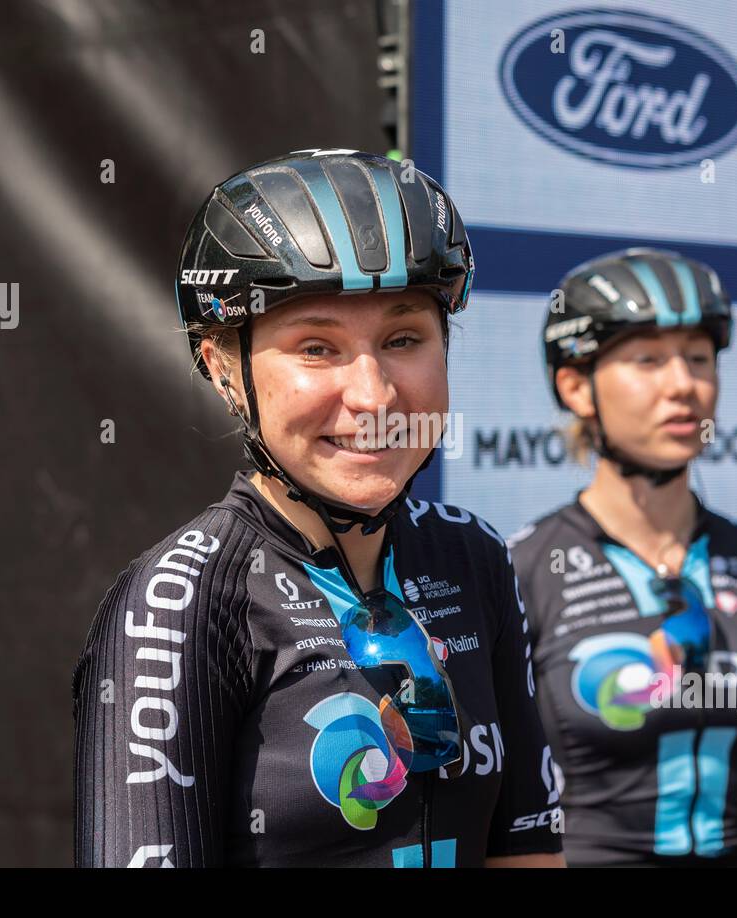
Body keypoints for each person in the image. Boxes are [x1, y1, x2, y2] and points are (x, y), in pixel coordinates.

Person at [72, 148, 565, 868]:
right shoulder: (180, 600)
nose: (374, 395)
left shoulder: (474, 557)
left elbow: (526, 850)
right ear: (221, 366)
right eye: (316, 347)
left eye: (403, 340)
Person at [508, 248, 737, 867]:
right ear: (576, 386)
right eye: (647, 360)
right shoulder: (517, 573)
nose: (683, 384)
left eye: (698, 358)